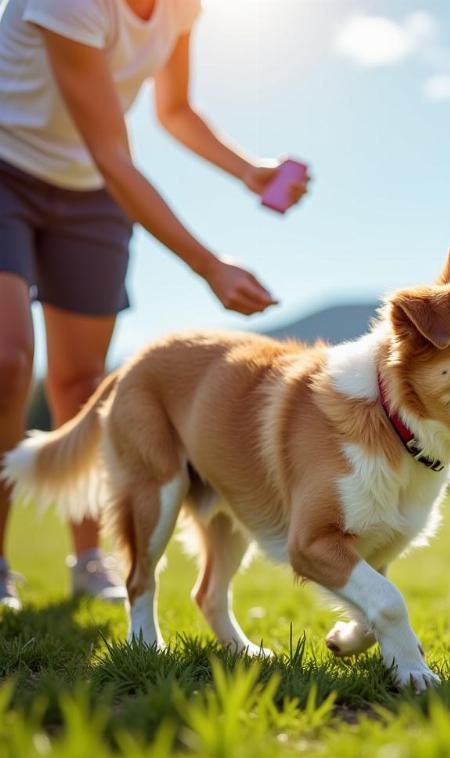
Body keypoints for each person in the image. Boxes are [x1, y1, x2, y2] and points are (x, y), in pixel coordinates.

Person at [0, 0, 309, 609]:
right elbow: (115, 155)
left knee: (83, 381)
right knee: (7, 363)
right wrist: (208, 265)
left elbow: (175, 110)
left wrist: (249, 171)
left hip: (90, 195)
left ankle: (89, 559)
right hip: (9, 170)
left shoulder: (180, 8)